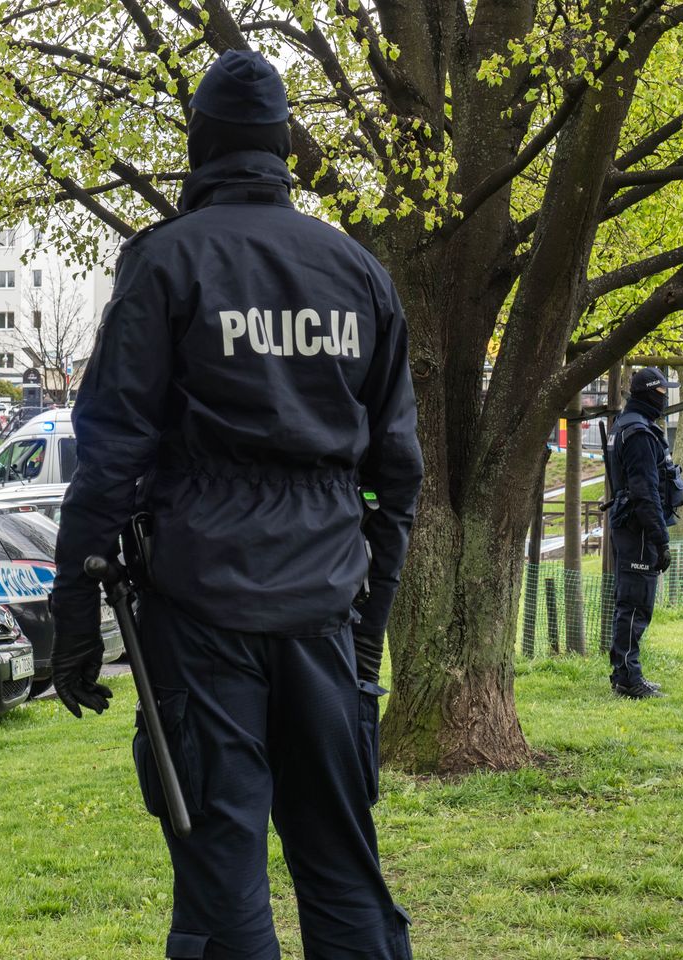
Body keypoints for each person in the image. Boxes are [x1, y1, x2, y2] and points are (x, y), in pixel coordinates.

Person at [50, 50, 422, 960]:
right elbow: (400, 470)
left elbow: (109, 452)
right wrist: (366, 628)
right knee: (343, 867)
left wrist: (73, 613)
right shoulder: (358, 272)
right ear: (283, 149)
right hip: (324, 606)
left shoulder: (166, 262)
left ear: (201, 146)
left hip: (202, 605)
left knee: (223, 883)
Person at [605, 367, 683, 699]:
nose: (665, 400)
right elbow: (645, 492)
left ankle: (625, 672)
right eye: (663, 393)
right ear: (651, 393)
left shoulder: (626, 426)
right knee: (636, 604)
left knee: (632, 602)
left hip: (632, 525)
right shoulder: (637, 433)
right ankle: (628, 680)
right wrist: (660, 539)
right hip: (638, 528)